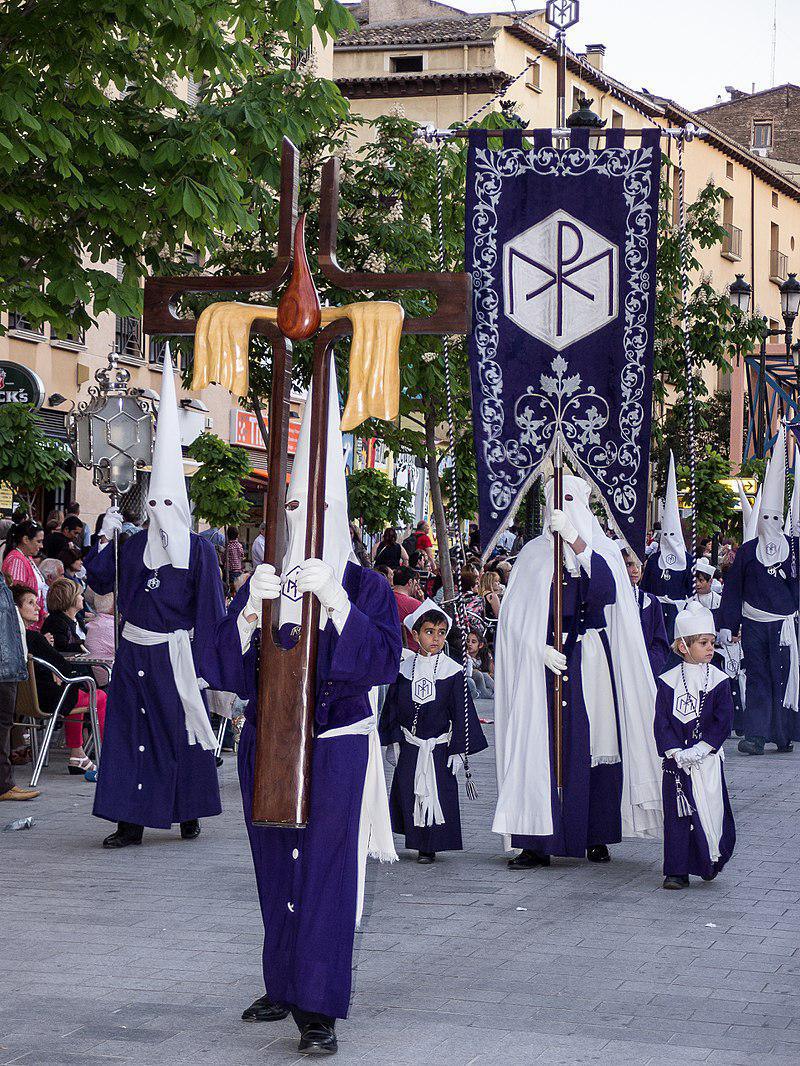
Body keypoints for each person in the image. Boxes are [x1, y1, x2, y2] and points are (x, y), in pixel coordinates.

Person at [198, 356, 401, 1057]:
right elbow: (222, 667)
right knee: (274, 862)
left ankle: (318, 1005)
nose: (301, 521)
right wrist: (246, 616)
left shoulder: (368, 587)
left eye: (313, 511)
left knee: (325, 869)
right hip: (269, 741)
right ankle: (283, 980)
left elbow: (383, 661)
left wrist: (338, 603)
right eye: (292, 511)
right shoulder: (265, 578)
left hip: (336, 743)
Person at [84, 346, 226, 848]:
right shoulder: (133, 544)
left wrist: (210, 666)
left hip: (174, 654)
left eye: (170, 503)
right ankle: (129, 821)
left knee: (179, 727)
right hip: (133, 653)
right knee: (130, 735)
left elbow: (210, 610)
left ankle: (189, 810)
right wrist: (106, 538)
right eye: (155, 503)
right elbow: (101, 583)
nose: (161, 511)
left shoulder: (199, 551)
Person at [493, 475, 662, 870]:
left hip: (590, 659)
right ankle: (536, 840)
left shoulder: (602, 550)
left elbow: (606, 592)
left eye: (569, 499)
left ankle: (595, 833)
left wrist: (575, 541)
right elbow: (513, 618)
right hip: (544, 663)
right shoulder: (533, 555)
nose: (561, 507)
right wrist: (536, 647)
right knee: (539, 744)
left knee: (595, 741)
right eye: (556, 499)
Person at [380, 599, 487, 864]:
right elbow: (393, 706)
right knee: (410, 792)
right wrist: (393, 741)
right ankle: (416, 841)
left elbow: (462, 712)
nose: (436, 639)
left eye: (441, 633)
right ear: (415, 635)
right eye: (429, 632)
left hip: (439, 747)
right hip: (411, 745)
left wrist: (459, 750)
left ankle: (430, 846)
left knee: (436, 793)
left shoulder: (453, 671)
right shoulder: (404, 669)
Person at [719, 427, 798, 755]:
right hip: (753, 625)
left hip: (783, 627)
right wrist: (728, 624)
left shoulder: (793, 551)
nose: (769, 521)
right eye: (765, 516)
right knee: (757, 678)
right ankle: (755, 736)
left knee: (781, 677)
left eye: (775, 517)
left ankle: (782, 734)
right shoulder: (748, 552)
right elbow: (733, 589)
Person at [654, 601, 736, 889]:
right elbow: (662, 721)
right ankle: (676, 871)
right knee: (678, 816)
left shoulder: (719, 680)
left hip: (706, 760)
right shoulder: (667, 681)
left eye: (712, 642)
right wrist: (675, 752)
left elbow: (723, 721)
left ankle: (707, 861)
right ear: (683, 646)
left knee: (708, 811)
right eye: (703, 643)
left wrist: (702, 749)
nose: (710, 648)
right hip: (677, 765)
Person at [13, 583, 106, 776]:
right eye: (30, 603)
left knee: (73, 691)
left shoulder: (14, 639)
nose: (38, 607)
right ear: (16, 609)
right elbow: (63, 665)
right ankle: (105, 752)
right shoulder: (35, 638)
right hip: (50, 700)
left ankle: (78, 754)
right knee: (99, 696)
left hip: (24, 701)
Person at [640, 454, 694, 641]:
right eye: (666, 536)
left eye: (673, 536)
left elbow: (691, 591)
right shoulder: (654, 560)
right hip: (655, 611)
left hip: (678, 613)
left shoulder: (688, 561)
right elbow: (645, 587)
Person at [0, 577, 38, 801]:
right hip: (5, 667)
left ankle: (5, 783)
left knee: (4, 725)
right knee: (3, 725)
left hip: (8, 667)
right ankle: (4, 785)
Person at [625, 550, 670, 678]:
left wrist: (649, 663)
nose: (635, 570)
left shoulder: (650, 601)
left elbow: (660, 641)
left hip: (646, 671)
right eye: (629, 565)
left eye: (638, 565)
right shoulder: (611, 600)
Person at [2, 520, 46, 629]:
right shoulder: (16, 560)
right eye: (38, 541)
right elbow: (17, 598)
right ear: (25, 539)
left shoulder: (26, 557)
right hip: (23, 626)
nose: (41, 546)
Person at [392, 565, 423, 652]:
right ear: (410, 582)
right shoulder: (416, 605)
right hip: (412, 651)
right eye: (415, 583)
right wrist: (422, 601)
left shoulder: (383, 598)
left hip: (387, 647)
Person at [466, 627, 495, 699]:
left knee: (485, 675)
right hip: (471, 681)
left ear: (480, 645)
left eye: (473, 642)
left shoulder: (485, 655)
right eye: (468, 641)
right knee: (479, 674)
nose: (469, 644)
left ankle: (497, 692)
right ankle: (487, 694)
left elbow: (492, 673)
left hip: (484, 683)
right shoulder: (464, 656)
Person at [224, 526, 245, 591]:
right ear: (237, 535)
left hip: (229, 571)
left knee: (230, 588)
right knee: (238, 588)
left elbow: (224, 558)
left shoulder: (228, 546)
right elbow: (242, 556)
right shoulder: (239, 545)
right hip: (238, 570)